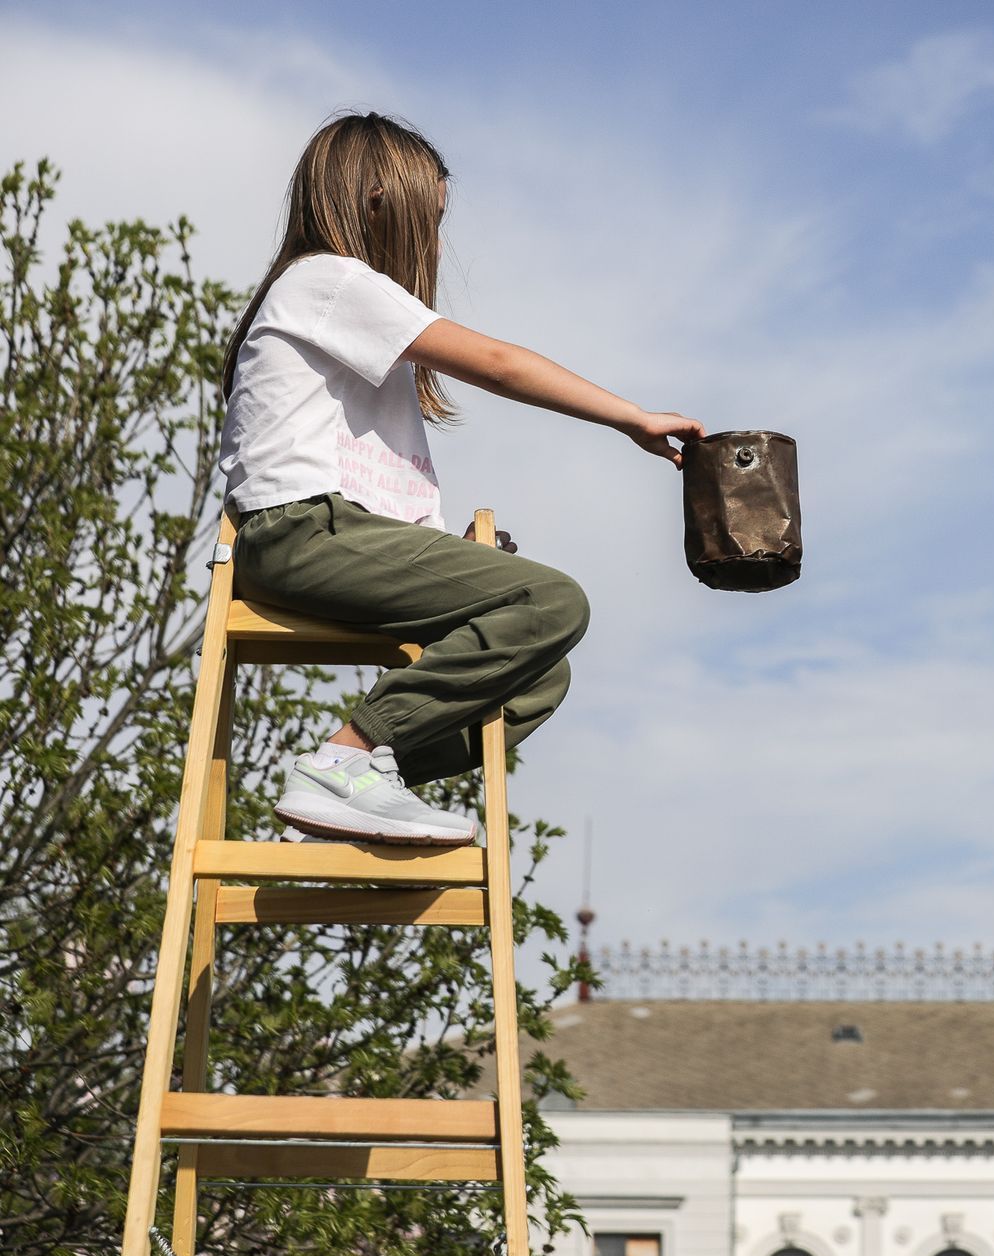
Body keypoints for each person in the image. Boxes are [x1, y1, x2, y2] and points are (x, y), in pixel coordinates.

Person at [220, 111, 703, 844]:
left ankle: (353, 791)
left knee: (539, 676)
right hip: (298, 531)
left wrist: (465, 561)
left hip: (333, 535)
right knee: (555, 601)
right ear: (380, 201)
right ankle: (344, 761)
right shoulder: (328, 282)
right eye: (432, 217)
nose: (437, 241)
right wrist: (628, 418)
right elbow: (502, 366)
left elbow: (374, 484)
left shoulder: (346, 311)